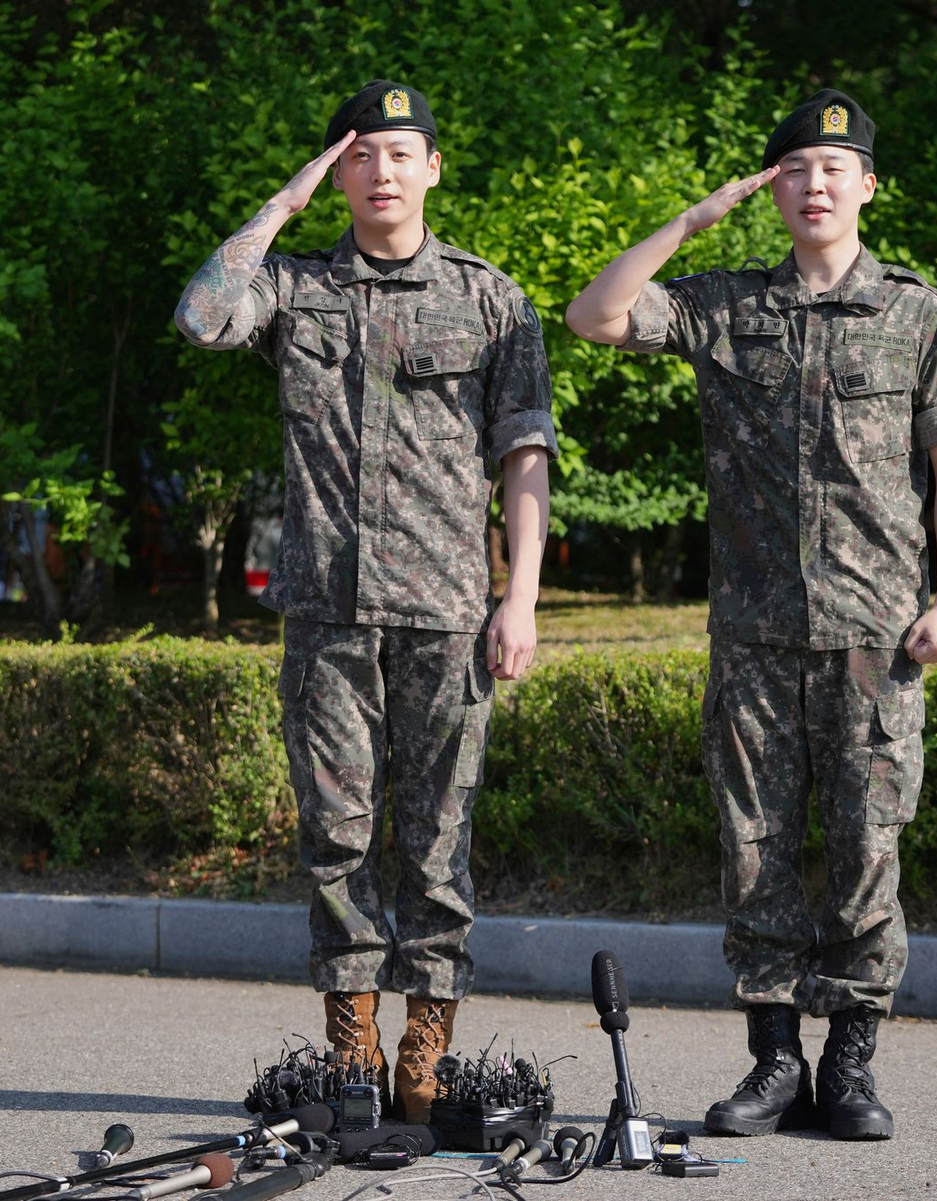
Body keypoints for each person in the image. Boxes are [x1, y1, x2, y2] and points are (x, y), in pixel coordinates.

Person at [566, 89, 937, 1141]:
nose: (814, 185)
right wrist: (691, 222)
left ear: (868, 186)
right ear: (773, 188)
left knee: (866, 852)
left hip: (874, 638)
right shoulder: (726, 305)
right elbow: (595, 314)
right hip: (752, 638)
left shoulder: (919, 313)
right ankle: (772, 1063)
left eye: (834, 169)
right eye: (794, 170)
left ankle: (848, 1065)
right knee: (753, 853)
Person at [175, 80, 557, 1123]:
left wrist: (520, 598)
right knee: (336, 837)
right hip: (328, 615)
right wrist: (279, 207)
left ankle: (426, 1046)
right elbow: (203, 314)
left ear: (434, 166)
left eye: (401, 152)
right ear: (338, 172)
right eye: (359, 155)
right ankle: (352, 1041)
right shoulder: (294, 289)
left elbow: (525, 457)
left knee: (440, 839)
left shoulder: (493, 299)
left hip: (449, 615)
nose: (381, 171)